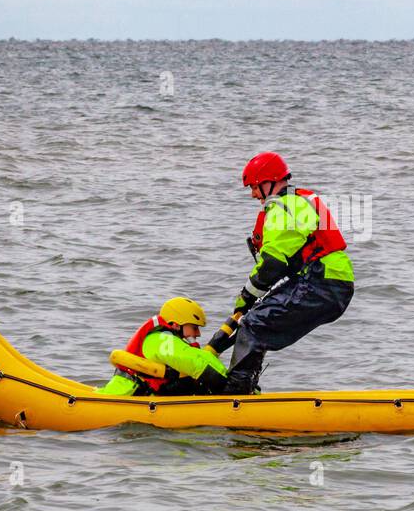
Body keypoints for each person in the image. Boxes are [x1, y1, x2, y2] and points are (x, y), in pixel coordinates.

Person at [221, 152, 355, 394]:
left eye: (254, 187)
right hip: (327, 280)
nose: (253, 195)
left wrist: (246, 295)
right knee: (256, 321)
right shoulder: (297, 200)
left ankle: (236, 393)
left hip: (322, 281)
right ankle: (246, 388)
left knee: (253, 325)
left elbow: (273, 263)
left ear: (268, 182)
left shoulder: (283, 207)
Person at [97, 297, 228, 396]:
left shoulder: (165, 338)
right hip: (124, 395)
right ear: (176, 325)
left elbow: (197, 356)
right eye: (194, 328)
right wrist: (226, 382)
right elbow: (193, 361)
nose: (198, 333)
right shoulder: (160, 339)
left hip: (138, 395)